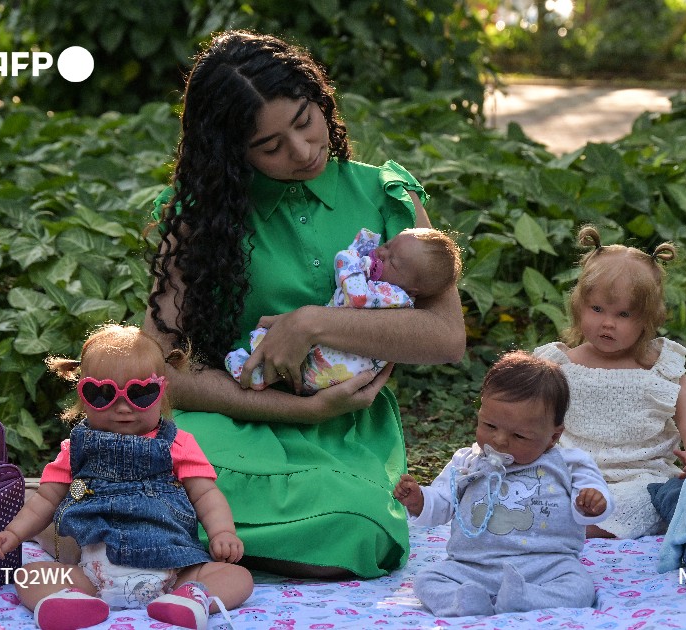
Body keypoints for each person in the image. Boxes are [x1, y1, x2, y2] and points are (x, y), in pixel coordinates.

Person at [145, 30, 466, 579]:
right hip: (232, 413)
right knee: (153, 473)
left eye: (304, 120)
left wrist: (313, 324)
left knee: (360, 527)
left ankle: (169, 548)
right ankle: (185, 544)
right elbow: (160, 368)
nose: (302, 151)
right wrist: (297, 409)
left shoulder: (387, 195)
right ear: (230, 152)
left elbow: (445, 336)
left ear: (321, 100)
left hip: (345, 428)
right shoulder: (195, 216)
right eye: (270, 146)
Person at [0, 324, 253, 630]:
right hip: (94, 573)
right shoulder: (75, 450)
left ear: (161, 391)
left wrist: (222, 533)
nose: (123, 407)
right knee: (29, 575)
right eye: (103, 394)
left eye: (141, 393)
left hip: (174, 571)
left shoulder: (177, 444)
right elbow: (44, 499)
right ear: (83, 394)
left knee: (238, 576)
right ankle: (72, 601)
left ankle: (191, 598)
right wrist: (15, 533)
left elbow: (206, 494)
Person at [393, 351, 612, 617]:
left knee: (580, 587)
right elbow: (442, 503)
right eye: (489, 425)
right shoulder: (467, 462)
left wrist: (592, 503)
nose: (499, 441)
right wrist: (419, 500)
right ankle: (461, 601)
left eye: (519, 435)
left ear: (553, 436)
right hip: (473, 565)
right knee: (427, 579)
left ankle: (527, 598)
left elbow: (595, 497)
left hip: (547, 564)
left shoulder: (569, 463)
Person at [533, 225, 686, 539]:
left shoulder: (662, 369)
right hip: (571, 473)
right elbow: (528, 418)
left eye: (624, 314)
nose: (607, 323)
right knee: (528, 489)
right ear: (578, 306)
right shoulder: (559, 365)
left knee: (649, 500)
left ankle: (579, 528)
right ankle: (561, 520)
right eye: (597, 309)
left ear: (647, 318)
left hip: (640, 477)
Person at [225, 226, 461, 393]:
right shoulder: (384, 286)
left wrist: (348, 257)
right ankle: (256, 365)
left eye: (393, 262)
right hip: (333, 362)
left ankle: (254, 374)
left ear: (414, 289)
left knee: (287, 360)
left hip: (330, 370)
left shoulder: (393, 296)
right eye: (388, 245)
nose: (381, 253)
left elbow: (355, 296)